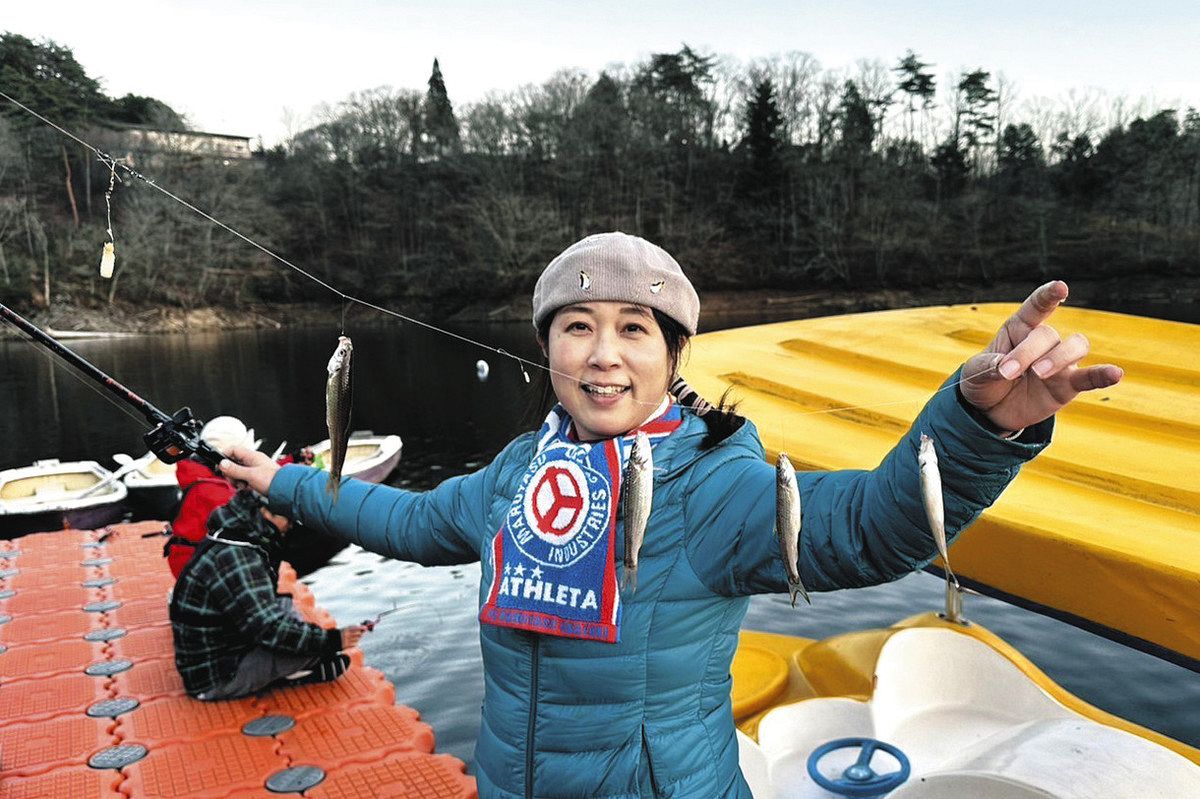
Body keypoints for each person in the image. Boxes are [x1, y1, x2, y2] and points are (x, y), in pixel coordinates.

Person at [221, 232, 1122, 798]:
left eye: (634, 327)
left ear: (673, 351)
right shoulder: (516, 470)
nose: (603, 354)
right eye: (577, 326)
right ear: (547, 348)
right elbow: (409, 523)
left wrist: (974, 426)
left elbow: (870, 526)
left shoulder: (712, 483)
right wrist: (283, 482)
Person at [169, 487, 367, 700]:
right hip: (217, 678)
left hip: (216, 653)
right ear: (264, 512)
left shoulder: (229, 535)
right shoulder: (238, 557)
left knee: (284, 607)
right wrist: (335, 640)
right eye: (287, 517)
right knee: (314, 647)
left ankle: (294, 670)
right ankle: (295, 672)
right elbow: (269, 628)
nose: (290, 524)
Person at [164, 415, 256, 579]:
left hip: (185, 559)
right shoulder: (217, 493)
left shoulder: (202, 478)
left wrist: (291, 460)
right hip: (198, 570)